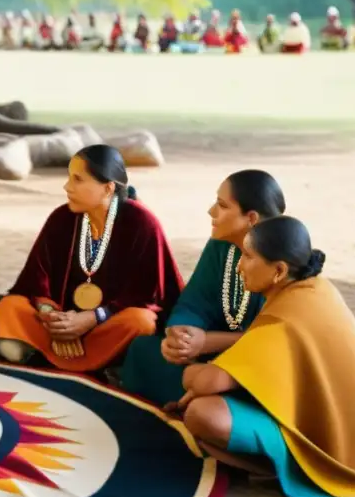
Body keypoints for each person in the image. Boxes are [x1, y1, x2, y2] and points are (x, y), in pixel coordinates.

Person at [172, 216, 355, 497]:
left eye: (248, 256)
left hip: (348, 452)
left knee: (203, 414)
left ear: (279, 270)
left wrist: (191, 374)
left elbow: (207, 382)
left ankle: (298, 469)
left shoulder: (285, 318)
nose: (240, 265)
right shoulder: (316, 288)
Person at [0, 145, 183, 373]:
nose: (67, 187)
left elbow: (147, 294)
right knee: (10, 306)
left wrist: (92, 318)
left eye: (77, 179)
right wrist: (54, 319)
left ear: (107, 188)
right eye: (69, 178)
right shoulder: (62, 217)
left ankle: (48, 356)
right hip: (59, 319)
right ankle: (96, 362)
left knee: (141, 322)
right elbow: (35, 278)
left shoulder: (141, 222)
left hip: (108, 323)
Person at [121, 170, 286, 405]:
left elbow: (271, 339)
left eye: (222, 205)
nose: (211, 211)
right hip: (207, 351)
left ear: (251, 218)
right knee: (142, 350)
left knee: (213, 391)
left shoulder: (278, 262)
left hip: (250, 363)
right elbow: (196, 299)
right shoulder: (222, 244)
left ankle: (209, 400)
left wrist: (205, 342)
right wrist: (181, 334)